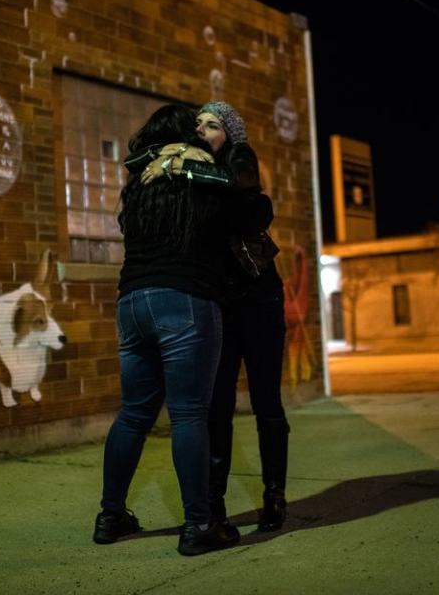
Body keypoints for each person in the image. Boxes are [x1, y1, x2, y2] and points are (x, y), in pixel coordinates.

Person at [93, 104, 268, 557]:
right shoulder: (198, 172)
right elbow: (249, 214)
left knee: (133, 413)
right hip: (185, 300)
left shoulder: (142, 183)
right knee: (190, 414)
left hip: (132, 302)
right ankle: (199, 525)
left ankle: (111, 515)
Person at [134, 101, 289, 534]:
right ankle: (214, 504)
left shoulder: (237, 162)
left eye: (213, 124)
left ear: (230, 133)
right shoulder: (189, 166)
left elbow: (248, 202)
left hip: (258, 300)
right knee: (216, 406)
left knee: (266, 403)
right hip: (218, 304)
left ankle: (274, 495)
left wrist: (179, 166)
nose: (202, 130)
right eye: (198, 123)